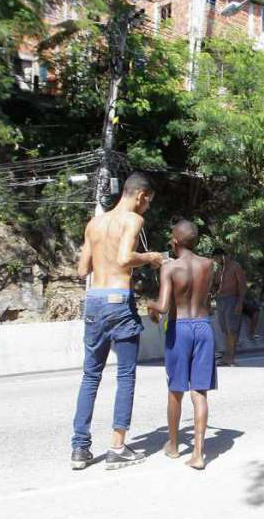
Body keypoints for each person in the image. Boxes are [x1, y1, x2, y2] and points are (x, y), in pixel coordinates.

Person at [70, 172, 164, 471]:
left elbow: (82, 269)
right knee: (125, 376)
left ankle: (80, 448)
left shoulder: (94, 223)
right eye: (147, 203)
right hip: (118, 301)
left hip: (95, 299)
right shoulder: (133, 220)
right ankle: (117, 448)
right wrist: (151, 257)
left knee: (90, 375)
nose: (146, 208)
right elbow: (125, 258)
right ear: (141, 196)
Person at [147, 220, 217, 471]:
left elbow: (164, 307)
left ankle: (174, 446)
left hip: (180, 328)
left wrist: (149, 305)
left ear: (174, 241)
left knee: (176, 389)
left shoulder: (169, 268)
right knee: (200, 392)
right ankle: (199, 454)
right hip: (203, 327)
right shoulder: (208, 265)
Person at [212, 248, 247, 366]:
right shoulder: (219, 269)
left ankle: (231, 357)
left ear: (223, 256)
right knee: (226, 330)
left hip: (232, 300)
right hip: (220, 300)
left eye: (217, 258)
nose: (216, 261)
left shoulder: (235, 266)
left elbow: (242, 285)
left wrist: (240, 303)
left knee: (232, 330)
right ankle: (227, 357)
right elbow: (216, 284)